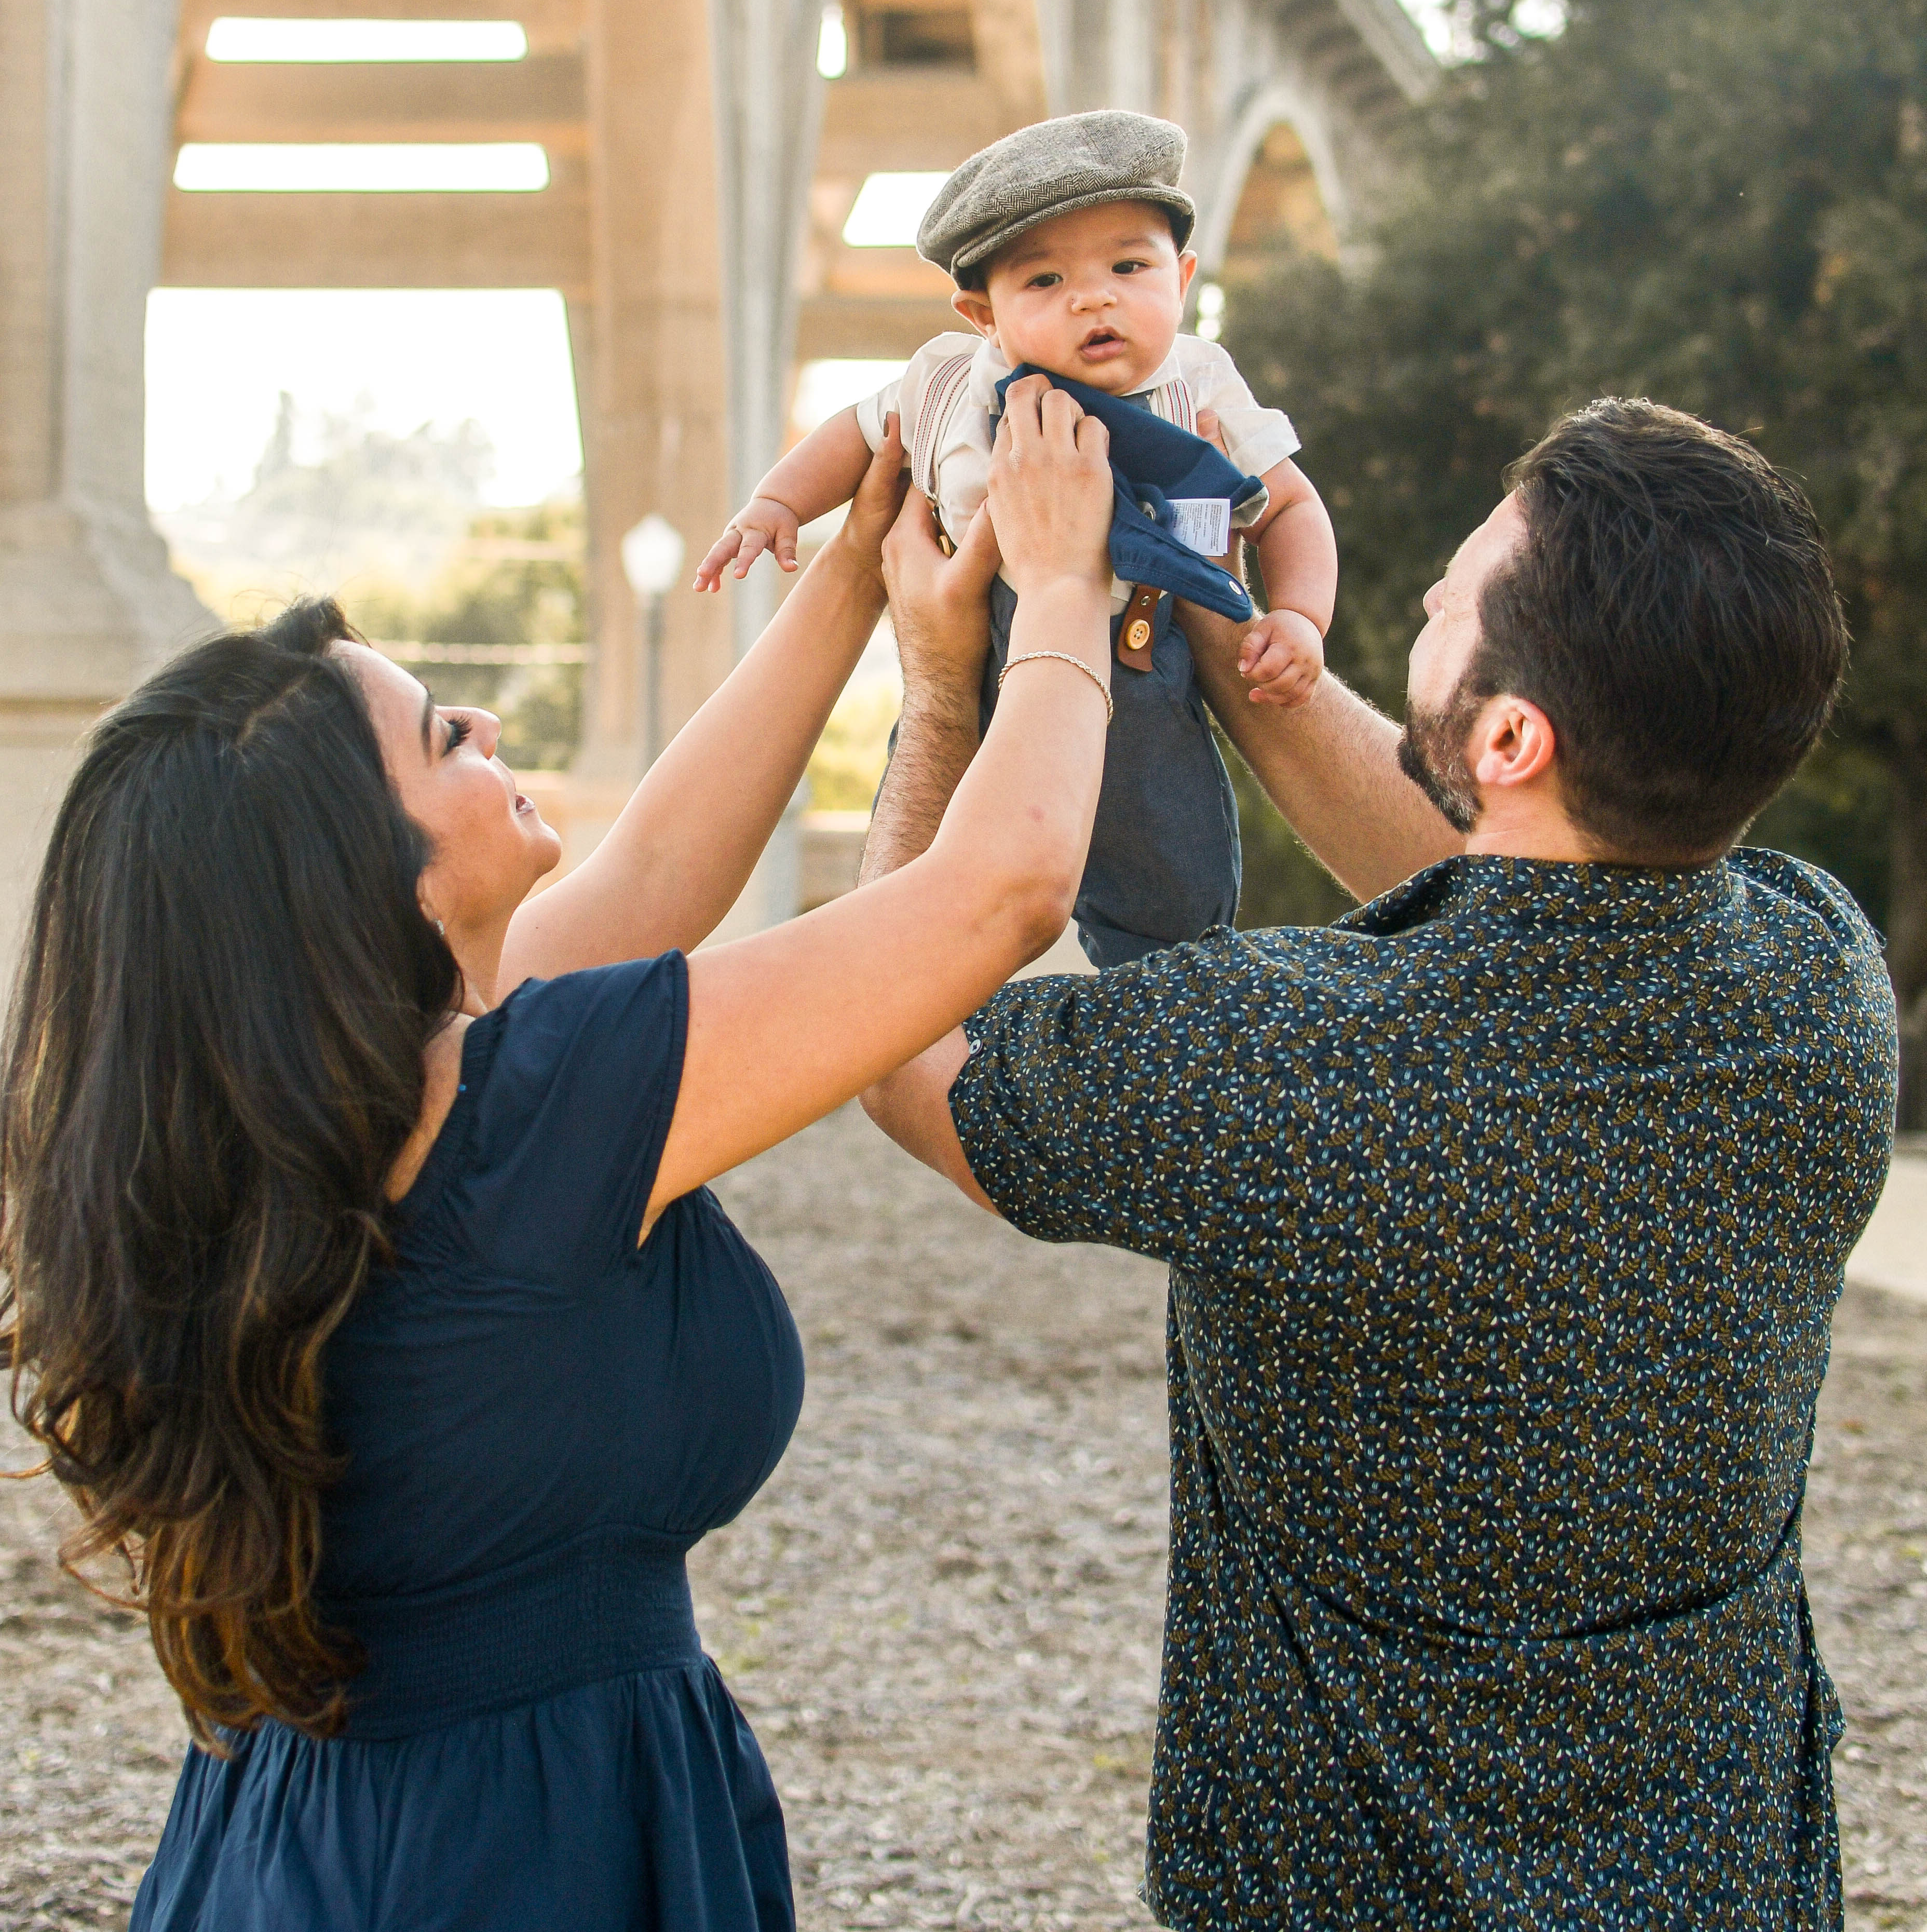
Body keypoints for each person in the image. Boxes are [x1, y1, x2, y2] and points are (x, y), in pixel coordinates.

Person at [0, 388, 1117, 1932]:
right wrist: (1067, 579)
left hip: (289, 1844)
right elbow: (1002, 891)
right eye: (442, 738)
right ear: (369, 881)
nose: (487, 728)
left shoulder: (302, 1127)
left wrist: (858, 572)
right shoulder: (538, 1107)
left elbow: (658, 865)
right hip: (528, 1849)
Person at [861, 396, 1898, 1930]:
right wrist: (1210, 595)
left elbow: (896, 1041)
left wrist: (955, 674)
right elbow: (1513, 887)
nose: (1420, 592)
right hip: (1727, 1883)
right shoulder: (1822, 987)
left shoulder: (1279, 1060)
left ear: (1512, 737)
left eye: (1452, 598)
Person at [696, 110, 1338, 964]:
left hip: (1133, 658)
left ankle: (1160, 981)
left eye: (1130, 267)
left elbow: (1290, 508)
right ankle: (914, 985)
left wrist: (1299, 616)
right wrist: (776, 503)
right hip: (974, 659)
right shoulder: (943, 381)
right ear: (982, 315)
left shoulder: (1199, 384)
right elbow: (855, 436)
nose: (1094, 297)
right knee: (928, 857)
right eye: (1044, 280)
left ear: (1182, 278)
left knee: (1166, 865)